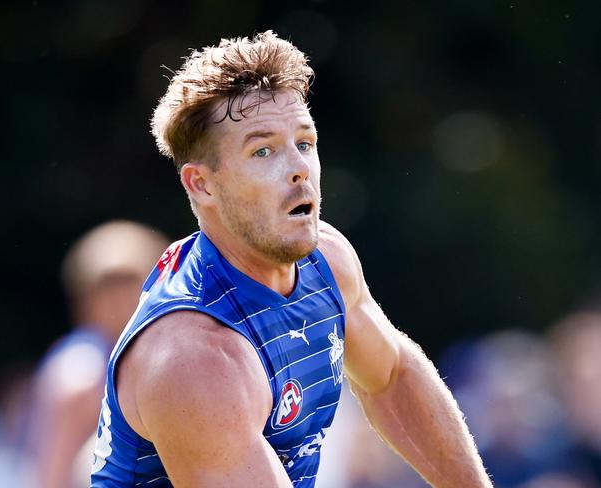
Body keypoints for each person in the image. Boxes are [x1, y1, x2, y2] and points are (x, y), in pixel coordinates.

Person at [90, 31, 492, 487]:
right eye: (262, 150)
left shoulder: (329, 260)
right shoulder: (195, 359)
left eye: (304, 142)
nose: (299, 167)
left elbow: (394, 377)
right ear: (202, 185)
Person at [24, 220, 168, 488]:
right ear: (84, 302)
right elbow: (53, 472)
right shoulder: (78, 373)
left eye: (129, 286)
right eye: (108, 290)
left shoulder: (172, 350)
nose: (121, 301)